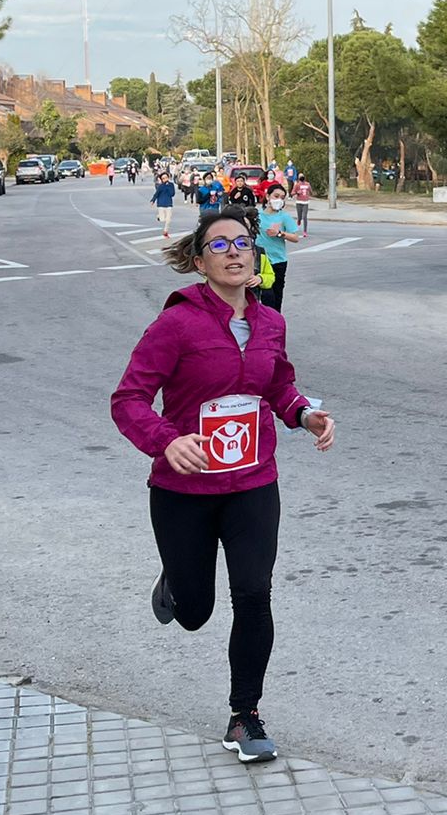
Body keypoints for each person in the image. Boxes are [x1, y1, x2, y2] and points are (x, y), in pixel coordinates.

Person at [110, 210, 335, 765]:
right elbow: (129, 400)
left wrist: (303, 415)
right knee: (194, 612)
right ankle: (176, 580)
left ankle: (244, 715)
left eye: (242, 242)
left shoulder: (270, 323)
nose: (233, 251)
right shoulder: (176, 324)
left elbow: (278, 385)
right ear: (199, 261)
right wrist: (166, 441)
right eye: (219, 245)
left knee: (254, 594)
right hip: (183, 490)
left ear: (254, 254)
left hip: (252, 482)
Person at [257, 181, 301, 311]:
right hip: (260, 261)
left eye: (282, 198)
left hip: (277, 262)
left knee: (275, 296)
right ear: (268, 197)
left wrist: (280, 233)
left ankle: (275, 320)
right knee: (264, 295)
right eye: (276, 196)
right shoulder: (257, 216)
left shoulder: (284, 217)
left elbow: (295, 238)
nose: (279, 200)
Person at [151, 170, 177, 238]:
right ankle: (159, 217)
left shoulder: (171, 185)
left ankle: (165, 231)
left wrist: (168, 186)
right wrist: (153, 200)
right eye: (163, 178)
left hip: (168, 204)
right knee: (162, 219)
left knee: (168, 219)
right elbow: (156, 194)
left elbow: (172, 194)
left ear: (168, 177)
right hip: (161, 204)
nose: (165, 179)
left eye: (166, 177)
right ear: (161, 179)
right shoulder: (160, 186)